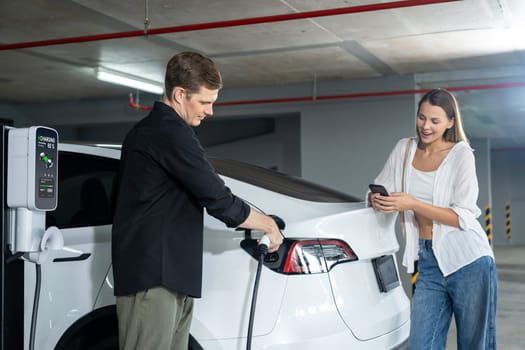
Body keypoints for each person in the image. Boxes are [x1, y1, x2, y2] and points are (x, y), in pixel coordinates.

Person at [111, 51, 283, 350]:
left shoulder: (167, 133)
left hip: (171, 277)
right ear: (179, 94)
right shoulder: (165, 132)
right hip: (153, 278)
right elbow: (217, 199)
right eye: (205, 102)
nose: (210, 111)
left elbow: (210, 191)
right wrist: (268, 224)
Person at [369, 89, 497, 349]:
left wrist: (413, 204)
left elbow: (462, 215)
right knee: (421, 344)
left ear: (451, 122)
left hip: (469, 260)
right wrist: (377, 200)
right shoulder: (404, 149)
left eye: (435, 121)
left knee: (475, 344)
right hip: (427, 260)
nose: (425, 127)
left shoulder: (461, 155)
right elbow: (383, 186)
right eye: (421, 118)